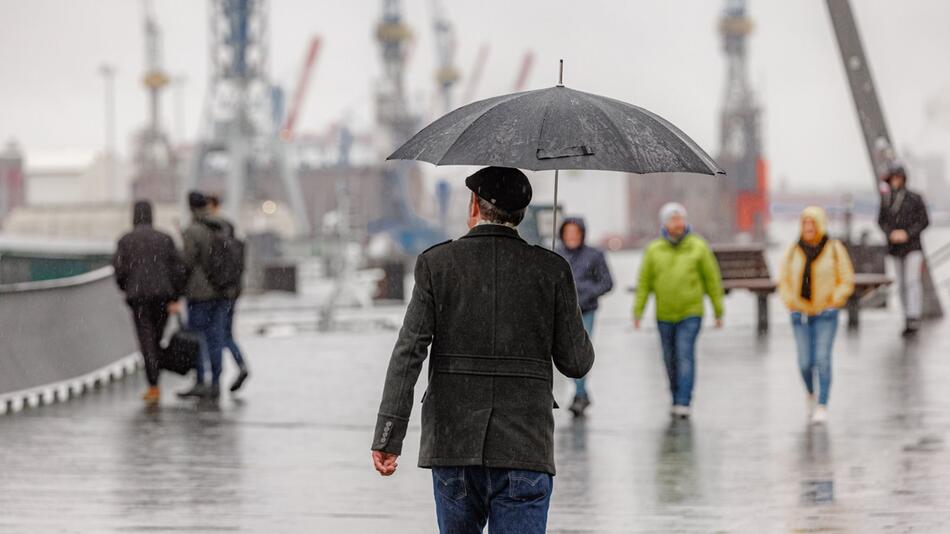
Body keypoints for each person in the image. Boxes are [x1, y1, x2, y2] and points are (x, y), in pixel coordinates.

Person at [370, 166, 594, 534]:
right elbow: (577, 362)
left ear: (474, 204)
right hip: (525, 446)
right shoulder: (551, 269)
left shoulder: (436, 264)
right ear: (521, 213)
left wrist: (389, 435)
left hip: (453, 444)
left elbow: (409, 352)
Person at [633, 202, 724, 419]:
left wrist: (718, 310)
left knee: (684, 355)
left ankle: (684, 400)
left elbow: (712, 280)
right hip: (664, 314)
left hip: (690, 312)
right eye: (672, 219)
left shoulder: (698, 246)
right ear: (664, 223)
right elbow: (644, 282)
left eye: (680, 218)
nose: (677, 223)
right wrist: (638, 312)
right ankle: (674, 396)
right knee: (669, 358)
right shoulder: (654, 250)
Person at [779, 207, 854, 424]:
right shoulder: (794, 250)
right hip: (800, 314)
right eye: (805, 224)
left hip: (825, 314)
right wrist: (790, 302)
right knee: (804, 362)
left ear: (820, 225)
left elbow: (846, 278)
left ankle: (822, 404)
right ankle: (810, 393)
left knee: (822, 359)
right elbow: (783, 279)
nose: (809, 228)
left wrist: (835, 300)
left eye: (812, 224)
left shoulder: (833, 248)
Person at [112, 200, 187, 405]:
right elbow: (178, 269)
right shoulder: (165, 238)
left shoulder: (126, 240)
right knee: (157, 336)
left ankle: (153, 385)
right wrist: (175, 296)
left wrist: (126, 287)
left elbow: (119, 270)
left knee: (146, 339)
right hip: (163, 296)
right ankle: (156, 373)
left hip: (138, 298)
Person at [557, 217, 613, 417]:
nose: (571, 237)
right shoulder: (557, 255)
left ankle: (580, 395)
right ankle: (582, 393)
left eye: (575, 233)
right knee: (566, 353)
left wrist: (587, 292)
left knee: (579, 352)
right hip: (562, 312)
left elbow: (607, 282)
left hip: (586, 310)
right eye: (568, 233)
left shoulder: (594, 255)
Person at [176, 191, 230, 399]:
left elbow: (186, 263)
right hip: (222, 291)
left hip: (199, 294)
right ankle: (216, 382)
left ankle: (200, 380)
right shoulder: (223, 225)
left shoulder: (194, 230)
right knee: (216, 337)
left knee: (198, 338)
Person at [877, 163, 930, 336]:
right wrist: (890, 233)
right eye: (892, 178)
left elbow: (924, 221)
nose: (895, 181)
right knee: (901, 283)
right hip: (895, 248)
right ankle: (907, 315)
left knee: (912, 281)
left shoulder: (915, 198)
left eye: (897, 178)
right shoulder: (886, 200)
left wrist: (907, 233)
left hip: (913, 247)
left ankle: (914, 316)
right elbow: (881, 221)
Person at [205, 194, 249, 392]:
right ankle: (240, 365)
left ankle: (218, 378)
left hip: (220, 293)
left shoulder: (213, 232)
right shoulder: (235, 240)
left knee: (219, 335)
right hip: (234, 292)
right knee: (227, 333)